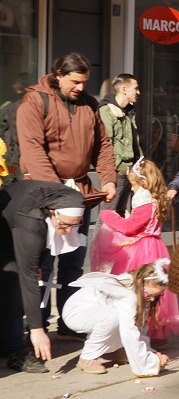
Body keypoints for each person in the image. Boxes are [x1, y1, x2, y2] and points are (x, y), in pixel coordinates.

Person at [17, 52, 117, 338]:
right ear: (58, 74)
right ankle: (37, 324)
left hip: (80, 192)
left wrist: (108, 179)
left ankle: (70, 322)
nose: (81, 88)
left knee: (74, 259)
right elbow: (33, 151)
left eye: (85, 82)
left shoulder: (89, 104)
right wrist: (57, 198)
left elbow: (104, 145)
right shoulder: (34, 101)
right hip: (45, 194)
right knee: (43, 261)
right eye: (75, 81)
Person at [91, 158, 179, 342]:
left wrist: (108, 215)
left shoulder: (146, 203)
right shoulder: (156, 200)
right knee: (152, 291)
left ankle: (136, 330)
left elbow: (129, 227)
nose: (131, 189)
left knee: (136, 289)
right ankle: (153, 331)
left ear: (144, 183)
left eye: (133, 185)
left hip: (141, 251)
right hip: (156, 247)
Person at [0, 180, 85, 373]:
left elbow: (49, 238)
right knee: (12, 284)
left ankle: (5, 342)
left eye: (75, 226)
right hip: (4, 231)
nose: (68, 231)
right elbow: (27, 277)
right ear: (52, 211)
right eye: (64, 225)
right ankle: (17, 352)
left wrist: (38, 261)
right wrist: (37, 329)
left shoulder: (72, 198)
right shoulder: (30, 223)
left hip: (17, 219)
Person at [62, 260, 171, 376]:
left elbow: (140, 327)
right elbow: (129, 331)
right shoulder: (127, 295)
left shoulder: (142, 293)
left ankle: (115, 351)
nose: (152, 299)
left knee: (120, 317)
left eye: (157, 296)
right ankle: (87, 357)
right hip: (77, 312)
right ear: (140, 283)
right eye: (150, 295)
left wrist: (149, 353)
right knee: (115, 317)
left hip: (97, 311)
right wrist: (149, 363)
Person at [99, 74, 143, 213]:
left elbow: (133, 142)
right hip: (115, 173)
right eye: (135, 88)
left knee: (120, 214)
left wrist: (138, 164)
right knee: (107, 216)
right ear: (124, 89)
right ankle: (101, 236)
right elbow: (106, 143)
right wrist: (117, 168)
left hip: (129, 171)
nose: (138, 92)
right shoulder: (106, 111)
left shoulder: (129, 111)